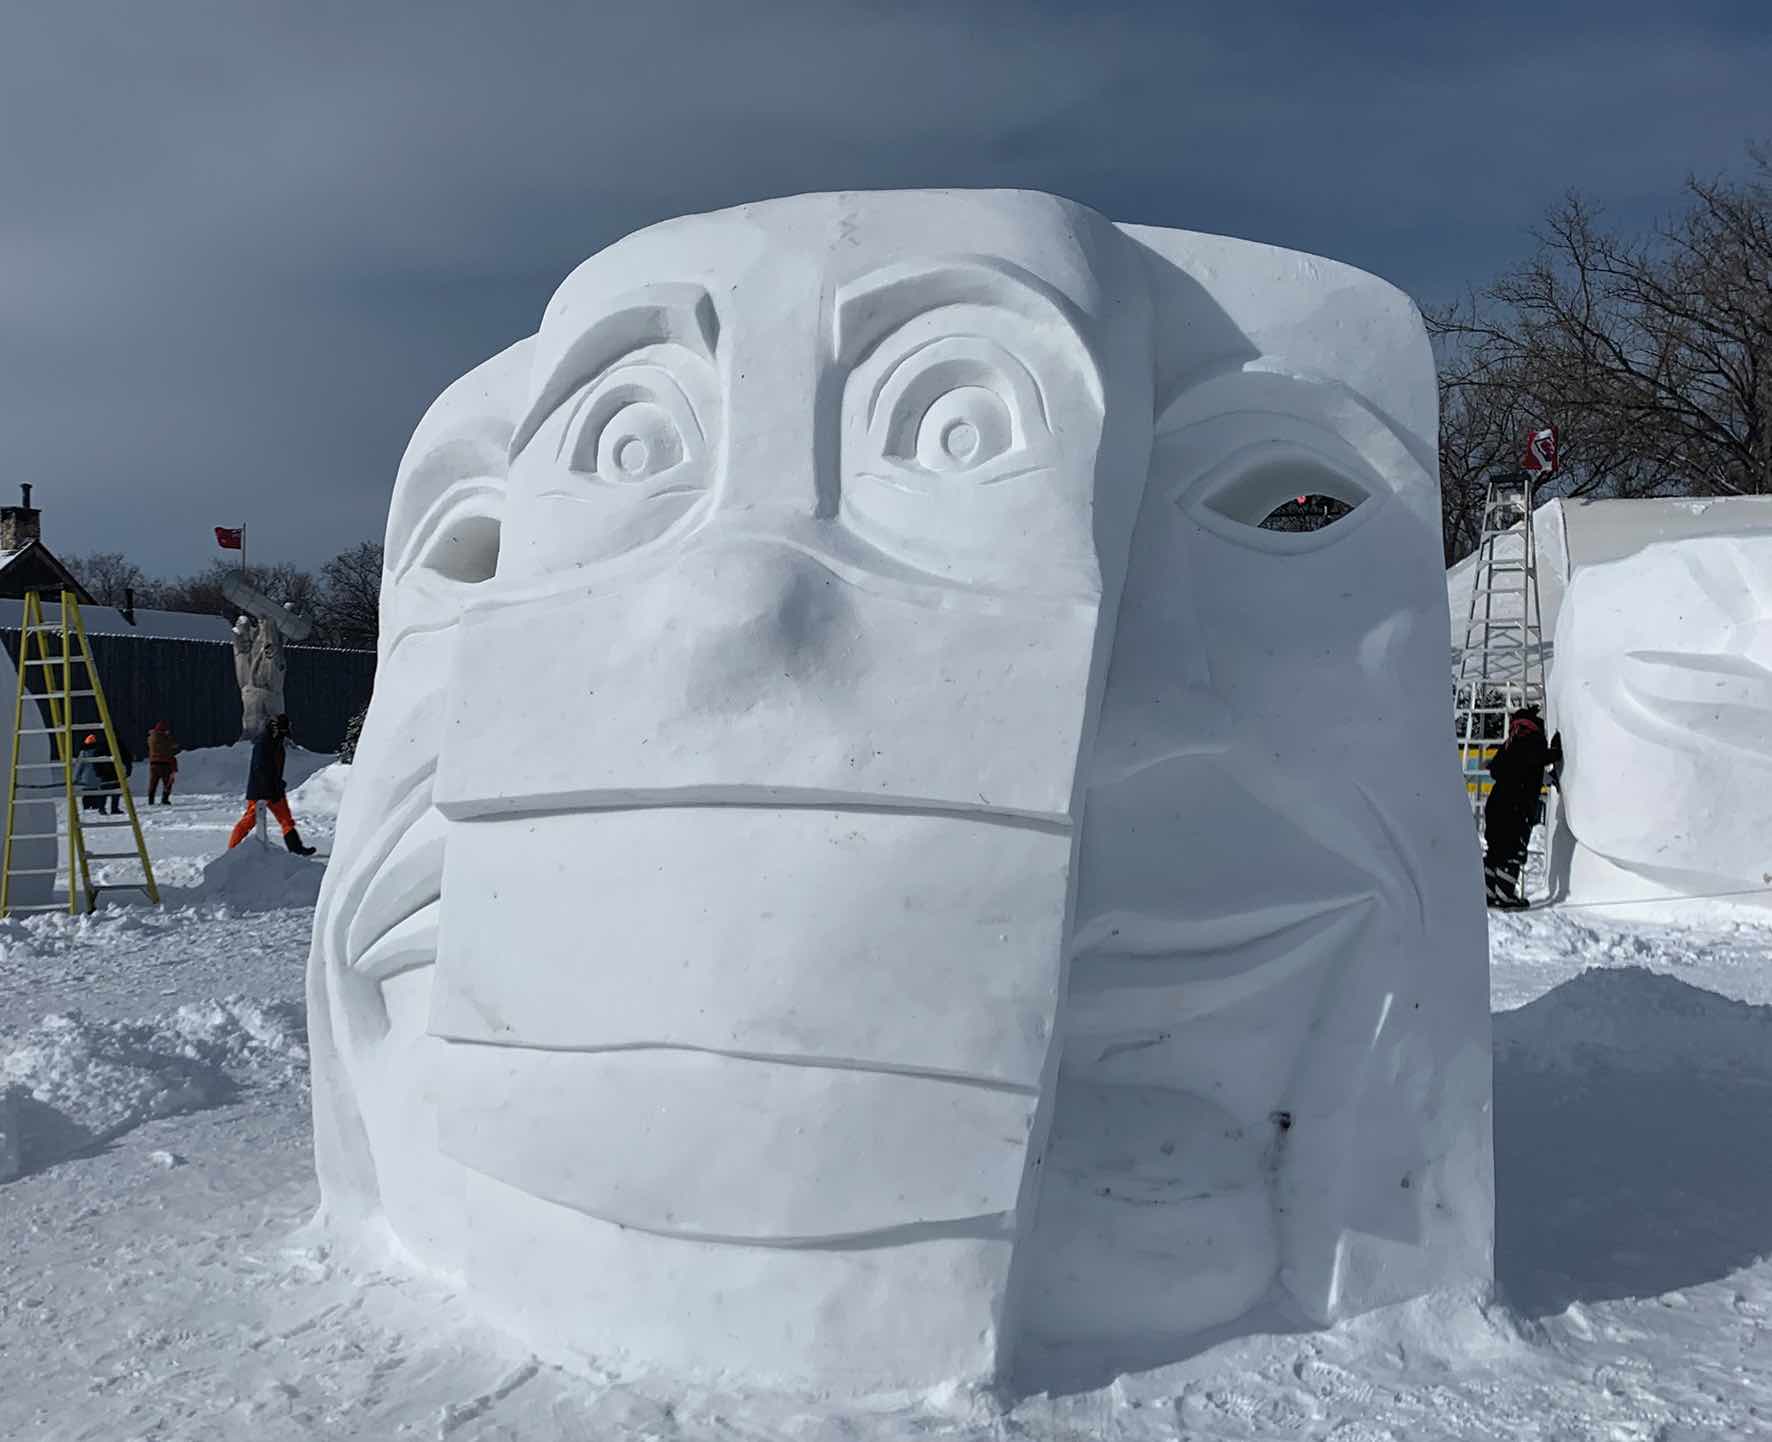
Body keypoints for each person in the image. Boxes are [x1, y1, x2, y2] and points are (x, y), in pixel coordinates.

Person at [1483, 707, 1563, 910]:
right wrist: (1556, 750)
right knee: (1512, 851)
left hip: (1496, 805)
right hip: (1515, 807)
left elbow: (1508, 768)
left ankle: (1489, 894)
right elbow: (1538, 758)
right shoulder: (1530, 741)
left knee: (1495, 851)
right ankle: (1505, 895)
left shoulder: (1510, 743)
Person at [227, 713, 316, 855]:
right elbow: (259, 769)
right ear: (275, 728)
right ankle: (232, 850)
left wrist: (278, 785)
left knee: (286, 819)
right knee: (249, 821)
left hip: (275, 789)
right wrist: (269, 790)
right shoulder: (263, 743)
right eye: (283, 730)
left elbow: (275, 767)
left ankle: (296, 848)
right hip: (260, 791)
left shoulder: (276, 742)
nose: (285, 733)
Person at [146, 721, 179, 805]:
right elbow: (174, 746)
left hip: (153, 764)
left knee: (153, 783)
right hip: (165, 764)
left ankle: (151, 800)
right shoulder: (166, 738)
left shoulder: (151, 738)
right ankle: (165, 799)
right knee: (167, 783)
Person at [73, 733, 107, 814]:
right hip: (97, 776)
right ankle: (96, 806)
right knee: (96, 792)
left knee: (87, 794)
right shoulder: (99, 751)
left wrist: (75, 778)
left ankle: (87, 807)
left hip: (86, 777)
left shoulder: (83, 753)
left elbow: (79, 766)